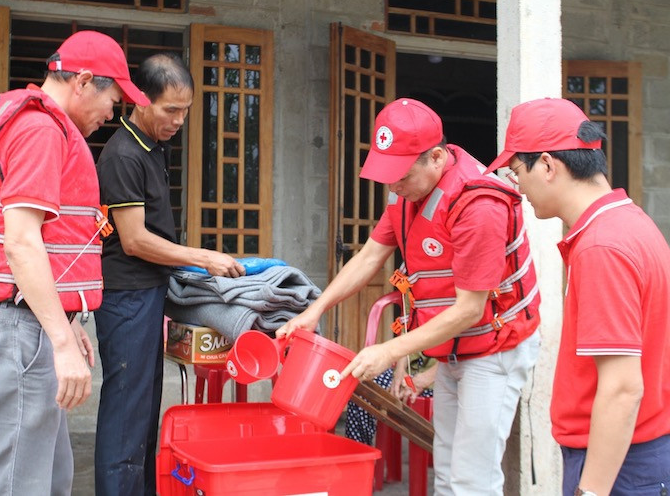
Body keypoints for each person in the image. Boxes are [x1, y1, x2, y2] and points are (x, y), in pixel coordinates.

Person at [279, 98, 541, 495]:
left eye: (400, 176)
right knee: (449, 467)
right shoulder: (406, 194)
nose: (392, 186)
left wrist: (388, 351)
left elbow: (470, 309)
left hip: (494, 348)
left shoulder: (478, 204)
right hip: (452, 348)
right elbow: (369, 256)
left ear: (436, 158)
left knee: (474, 477)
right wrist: (314, 311)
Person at [0, 30, 147, 495]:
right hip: (18, 329)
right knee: (21, 486)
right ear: (83, 81)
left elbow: (41, 240)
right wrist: (61, 342)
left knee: (50, 480)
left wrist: (64, 319)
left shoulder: (32, 122)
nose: (111, 115)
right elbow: (22, 242)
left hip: (26, 324)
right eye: (113, 100)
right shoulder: (40, 127)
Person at [486, 97, 670, 496]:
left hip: (623, 463)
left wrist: (592, 491)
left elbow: (623, 387)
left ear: (548, 166)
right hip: (639, 453)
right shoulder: (631, 223)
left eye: (517, 172)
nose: (518, 188)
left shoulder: (602, 246)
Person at [94, 53, 245, 496]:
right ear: (140, 100)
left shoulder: (152, 147)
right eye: (170, 110)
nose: (179, 120)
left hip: (147, 293)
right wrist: (203, 258)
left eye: (186, 111)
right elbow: (135, 240)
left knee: (142, 410)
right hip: (126, 296)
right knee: (126, 413)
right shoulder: (123, 154)